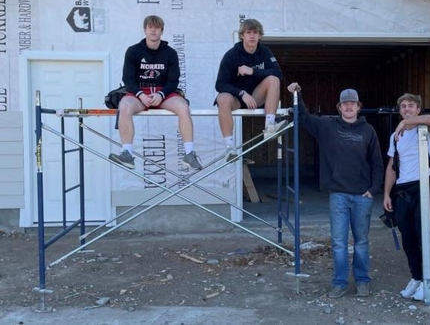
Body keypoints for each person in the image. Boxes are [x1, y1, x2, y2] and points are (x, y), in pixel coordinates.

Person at [286, 82, 383, 299]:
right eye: (345, 104)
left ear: (358, 107)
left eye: (353, 103)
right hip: (338, 195)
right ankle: (339, 283)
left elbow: (377, 162)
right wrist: (297, 95)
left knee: (361, 242)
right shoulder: (327, 126)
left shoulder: (368, 131)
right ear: (339, 107)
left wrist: (374, 189)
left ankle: (362, 281)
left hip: (362, 196)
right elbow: (304, 118)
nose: (349, 107)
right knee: (339, 243)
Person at [109, 15, 202, 170]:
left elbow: (173, 81)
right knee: (124, 105)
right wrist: (140, 95)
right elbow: (128, 79)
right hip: (140, 92)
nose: (153, 30)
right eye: (150, 27)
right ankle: (127, 153)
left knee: (183, 106)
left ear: (161, 31)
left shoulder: (170, 53)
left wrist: (161, 95)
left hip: (162, 92)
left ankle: (189, 153)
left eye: (156, 27)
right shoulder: (133, 51)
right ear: (145, 30)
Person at [382, 93, 430, 301]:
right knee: (408, 238)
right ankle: (416, 277)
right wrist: (387, 193)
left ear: (418, 109)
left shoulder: (425, 129)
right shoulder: (395, 136)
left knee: (425, 234)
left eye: (411, 106)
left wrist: (407, 123)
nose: (407, 109)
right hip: (402, 191)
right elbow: (392, 166)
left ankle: (428, 281)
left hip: (423, 187)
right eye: (403, 106)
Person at [214, 18, 286, 160]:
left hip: (256, 96)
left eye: (255, 32)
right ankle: (230, 149)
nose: (252, 36)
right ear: (242, 35)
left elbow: (279, 74)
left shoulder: (265, 51)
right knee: (221, 98)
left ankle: (270, 126)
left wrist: (253, 71)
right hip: (236, 97)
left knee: (273, 80)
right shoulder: (232, 54)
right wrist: (242, 93)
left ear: (260, 36)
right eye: (248, 32)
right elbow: (220, 84)